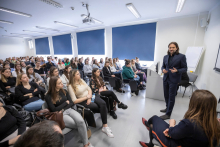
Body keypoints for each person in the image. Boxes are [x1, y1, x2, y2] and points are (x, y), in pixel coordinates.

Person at [140, 90, 220, 147]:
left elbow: (172, 134)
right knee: (155, 124)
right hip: (191, 141)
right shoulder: (214, 123)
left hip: (175, 143)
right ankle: (150, 128)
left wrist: (172, 124)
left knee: (154, 119)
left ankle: (149, 132)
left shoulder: (189, 123)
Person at [45, 76, 94, 147]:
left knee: (81, 121)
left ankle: (85, 144)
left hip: (69, 110)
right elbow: (54, 110)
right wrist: (65, 103)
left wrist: (63, 107)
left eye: (61, 82)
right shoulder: (48, 96)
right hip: (61, 115)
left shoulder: (64, 91)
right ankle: (86, 143)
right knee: (77, 124)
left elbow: (71, 103)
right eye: (59, 83)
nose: (62, 84)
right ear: (54, 85)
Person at [67, 70, 114, 138]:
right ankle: (104, 125)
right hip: (82, 101)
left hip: (91, 97)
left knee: (103, 104)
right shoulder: (70, 86)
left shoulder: (81, 80)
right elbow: (74, 101)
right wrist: (86, 97)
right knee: (99, 108)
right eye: (77, 74)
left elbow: (89, 89)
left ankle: (105, 126)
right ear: (73, 76)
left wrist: (89, 97)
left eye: (79, 73)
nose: (80, 74)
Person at [160, 42, 187, 120]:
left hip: (174, 79)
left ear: (177, 48)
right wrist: (163, 70)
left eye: (173, 47)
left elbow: (185, 68)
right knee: (166, 95)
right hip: (166, 78)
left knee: (171, 96)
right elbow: (163, 66)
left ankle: (168, 114)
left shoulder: (182, 57)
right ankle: (167, 108)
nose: (171, 49)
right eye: (170, 47)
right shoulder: (165, 57)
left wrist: (177, 70)